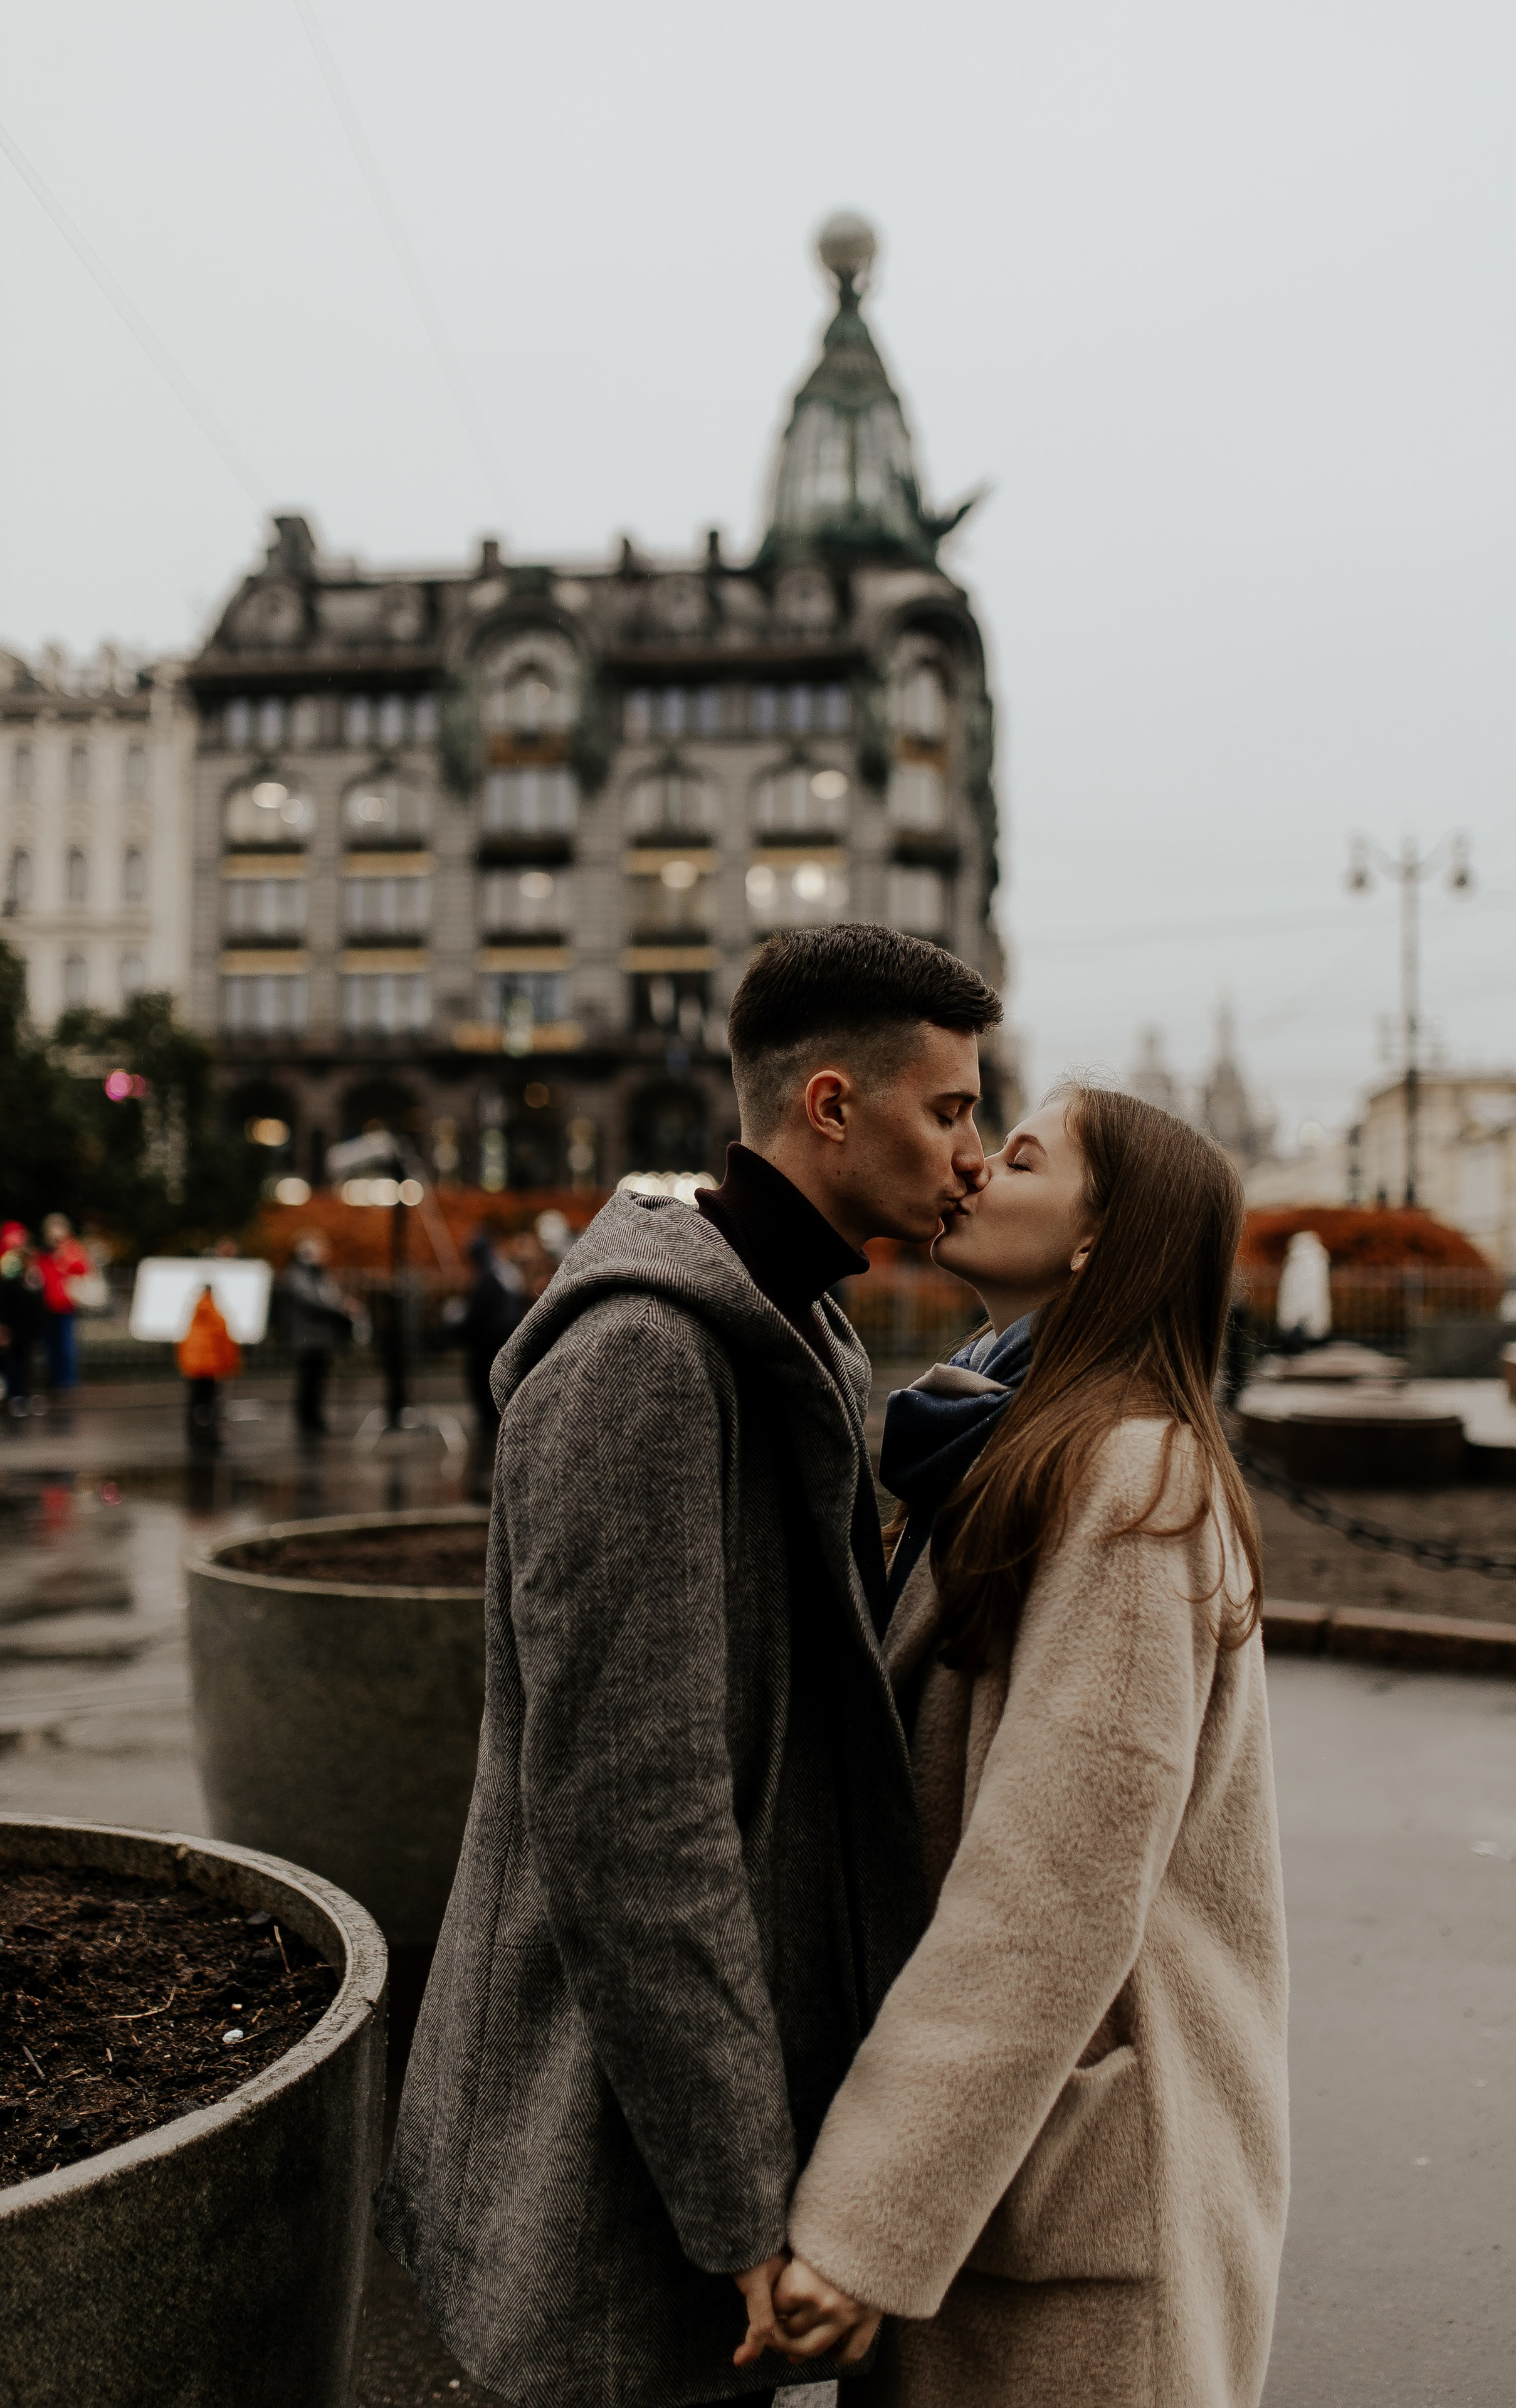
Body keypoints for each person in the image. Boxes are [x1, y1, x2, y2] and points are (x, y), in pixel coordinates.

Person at [377, 925, 1003, 2408]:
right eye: (951, 1109)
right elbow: (630, 1817)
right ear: (832, 1106)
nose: (970, 1155)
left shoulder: (806, 1327)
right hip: (607, 2151)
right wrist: (739, 2202)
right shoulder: (647, 1356)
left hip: (699, 2105)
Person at [762, 1085, 1290, 2408]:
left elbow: (1049, 1893)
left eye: (1020, 1156)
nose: (970, 1167)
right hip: (1007, 2177)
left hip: (1078, 2196)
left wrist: (868, 2211)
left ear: (1095, 1243)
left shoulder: (1128, 1486)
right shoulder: (1001, 1437)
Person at [276, 1232, 359, 1436]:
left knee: (317, 1380)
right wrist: (341, 1308)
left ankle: (314, 1419)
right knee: (308, 1380)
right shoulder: (298, 1275)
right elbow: (313, 1300)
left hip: (320, 1338)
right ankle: (307, 1420)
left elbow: (329, 1296)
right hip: (308, 1338)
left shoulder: (318, 1275)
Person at [456, 1232, 529, 1436]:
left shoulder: (489, 1276)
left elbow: (479, 1311)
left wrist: (462, 1329)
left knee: (482, 1380)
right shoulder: (503, 1271)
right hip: (503, 1335)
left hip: (489, 1340)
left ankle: (489, 1426)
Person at [175, 1284, 241, 1455]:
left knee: (195, 1402)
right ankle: (210, 1436)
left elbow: (185, 1345)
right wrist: (230, 1366)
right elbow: (226, 1346)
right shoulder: (218, 1317)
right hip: (211, 1368)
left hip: (195, 1369)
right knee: (211, 1403)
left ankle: (192, 1434)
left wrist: (187, 1364)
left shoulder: (194, 1316)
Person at [38, 1213, 92, 1393]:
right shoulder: (44, 1252)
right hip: (47, 1304)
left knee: (66, 1344)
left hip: (66, 1304)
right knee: (51, 1345)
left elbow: (82, 1268)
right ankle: (55, 1378)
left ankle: (67, 1381)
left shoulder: (72, 1248)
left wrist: (63, 1257)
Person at [0, 1223, 43, 1417]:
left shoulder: (32, 1275)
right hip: (14, 1326)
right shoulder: (10, 1270)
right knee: (14, 1362)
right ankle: (15, 1396)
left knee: (25, 1362)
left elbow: (35, 1299)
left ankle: (24, 1394)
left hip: (26, 1327)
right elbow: (7, 1301)